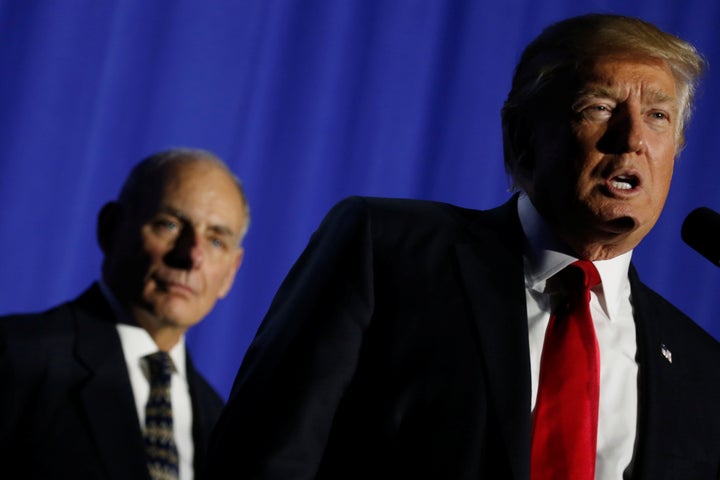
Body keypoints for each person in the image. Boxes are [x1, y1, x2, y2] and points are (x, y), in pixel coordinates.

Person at [206, 13, 720, 480]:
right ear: (521, 137)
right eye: (600, 107)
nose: (632, 138)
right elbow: (261, 459)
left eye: (659, 117)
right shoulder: (384, 252)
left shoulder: (701, 367)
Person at [0, 147, 250, 479]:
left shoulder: (221, 425)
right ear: (110, 229)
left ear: (231, 272)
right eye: (170, 225)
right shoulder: (15, 357)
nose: (192, 256)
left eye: (216, 241)